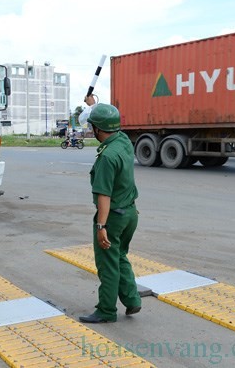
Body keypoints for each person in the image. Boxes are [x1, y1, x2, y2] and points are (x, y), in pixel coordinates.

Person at [79, 102, 141, 323]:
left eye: (93, 126)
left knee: (107, 263)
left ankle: (106, 310)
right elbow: (108, 120)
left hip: (113, 217)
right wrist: (92, 105)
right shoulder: (123, 141)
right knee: (120, 255)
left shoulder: (106, 157)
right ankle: (132, 299)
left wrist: (101, 226)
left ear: (98, 129)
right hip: (130, 214)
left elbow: (104, 195)